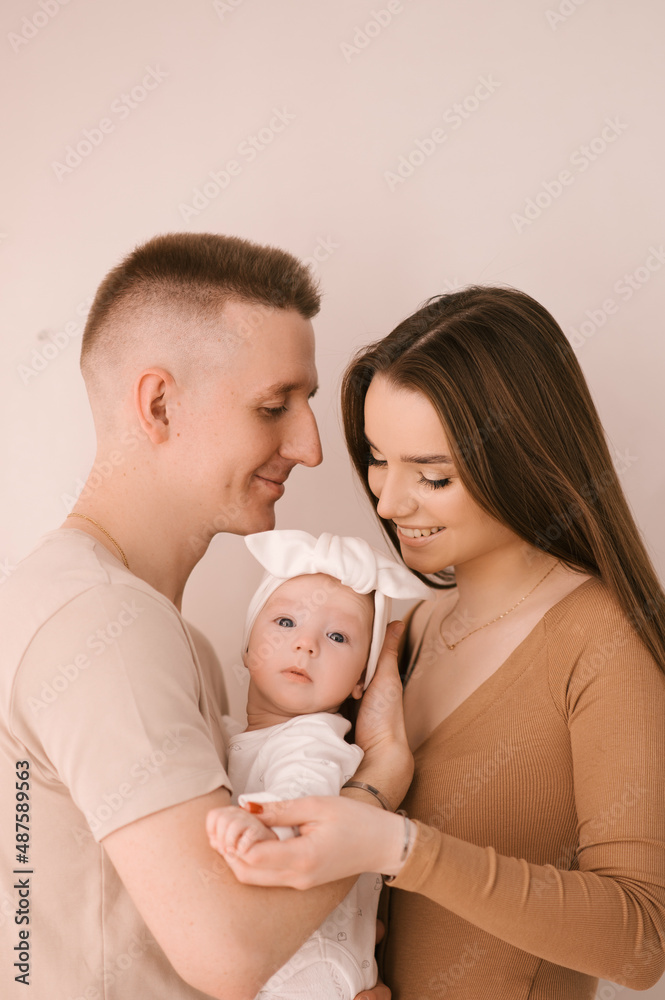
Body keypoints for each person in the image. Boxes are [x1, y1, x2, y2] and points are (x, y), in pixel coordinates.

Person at [217, 286, 665, 999]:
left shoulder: (599, 639)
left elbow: (642, 940)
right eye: (376, 459)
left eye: (432, 475)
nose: (390, 504)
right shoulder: (400, 635)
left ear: (523, 457)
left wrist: (398, 847)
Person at [0, 233, 412, 1000]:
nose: (312, 447)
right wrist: (378, 785)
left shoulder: (132, 621)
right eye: (272, 406)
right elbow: (228, 948)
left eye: (307, 404)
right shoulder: (103, 625)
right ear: (158, 404)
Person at [207, 529, 430, 999]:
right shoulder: (229, 735)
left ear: (360, 682)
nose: (306, 644)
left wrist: (262, 822)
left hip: (313, 966)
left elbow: (304, 791)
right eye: (286, 622)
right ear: (248, 647)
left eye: (336, 636)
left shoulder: (318, 739)